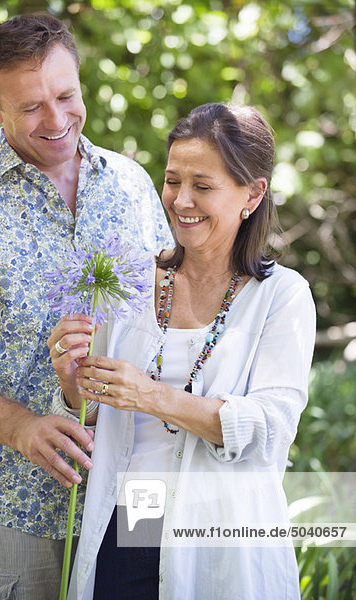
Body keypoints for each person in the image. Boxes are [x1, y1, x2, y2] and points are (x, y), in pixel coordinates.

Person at [49, 102, 316, 600]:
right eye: (173, 181)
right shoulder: (130, 280)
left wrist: (150, 396)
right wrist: (71, 385)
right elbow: (90, 420)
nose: (181, 200)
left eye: (203, 185)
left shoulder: (282, 296)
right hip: (136, 509)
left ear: (252, 194)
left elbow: (268, 432)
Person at [0, 13, 171, 600]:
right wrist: (23, 427)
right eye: (30, 107)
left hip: (136, 484)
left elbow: (173, 318)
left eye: (66, 95)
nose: (56, 120)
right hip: (16, 500)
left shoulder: (132, 183)